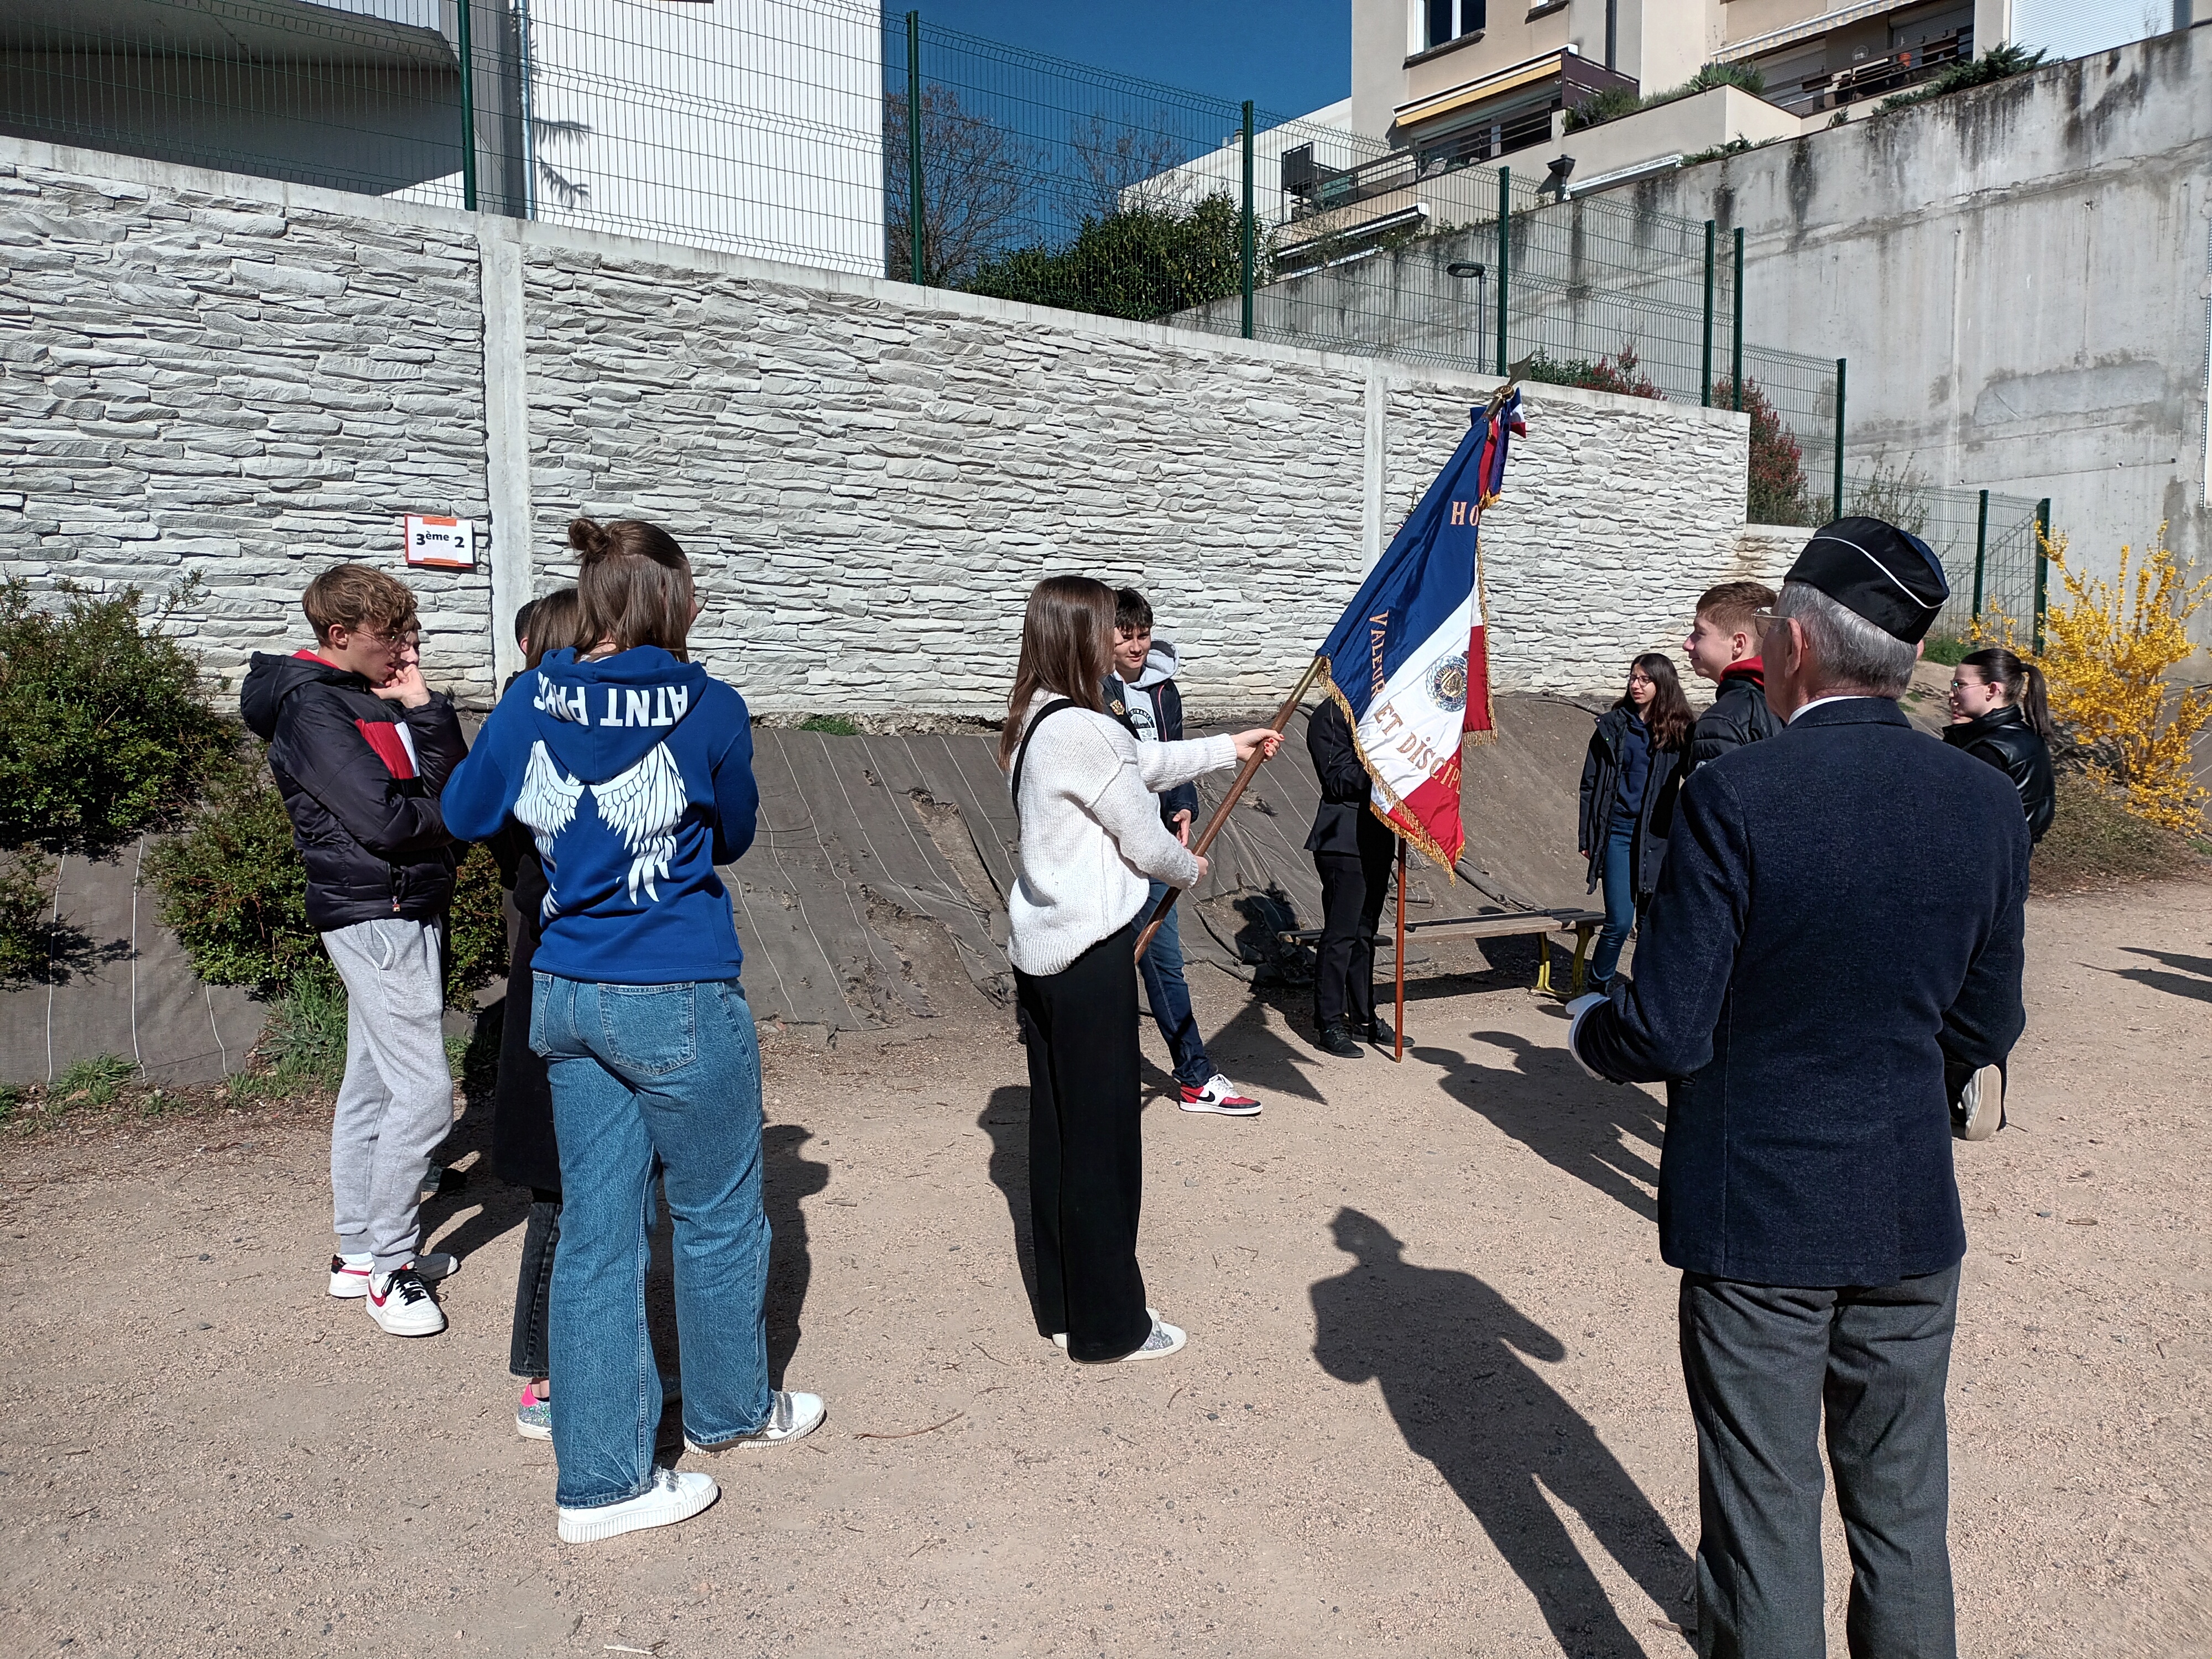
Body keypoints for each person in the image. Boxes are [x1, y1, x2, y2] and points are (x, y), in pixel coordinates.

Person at [1567, 517, 2029, 1659]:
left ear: (1793, 648)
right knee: (1903, 1522)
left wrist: (1590, 1028)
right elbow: (1987, 1022)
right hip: (1909, 1211)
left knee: (1765, 1526)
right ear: (1908, 662)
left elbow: (1664, 1029)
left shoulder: (1741, 796)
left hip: (1758, 1220)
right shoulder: (1980, 803)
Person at [444, 517, 822, 1546]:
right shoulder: (709, 705)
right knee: (717, 1214)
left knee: (597, 1240)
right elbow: (733, 834)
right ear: (671, 602)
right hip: (677, 983)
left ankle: (602, 1484)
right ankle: (730, 1410)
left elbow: (469, 811)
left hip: (565, 986)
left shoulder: (533, 696)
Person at [1002, 575, 1280, 1365]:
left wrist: (1232, 747)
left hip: (1044, 957)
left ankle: (1065, 1306)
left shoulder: (1039, 717)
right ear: (1075, 637)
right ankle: (1112, 1326)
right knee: (1106, 1150)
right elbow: (1144, 838)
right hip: (1087, 961)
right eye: (1105, 628)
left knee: (1061, 1140)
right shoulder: (1080, 729)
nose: (1124, 642)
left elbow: (1142, 761)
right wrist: (1189, 867)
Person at [241, 564, 465, 1339]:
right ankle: (391, 1267)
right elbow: (387, 822)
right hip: (377, 910)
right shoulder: (311, 709)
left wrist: (425, 709)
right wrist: (450, 814)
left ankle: (357, 1257)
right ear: (339, 637)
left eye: (410, 629)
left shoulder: (368, 697)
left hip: (406, 904)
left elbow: (449, 787)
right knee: (428, 1093)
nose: (406, 645)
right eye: (391, 633)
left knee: (374, 1083)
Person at [488, 587, 586, 1441]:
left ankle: (582, 1358)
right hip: (553, 971)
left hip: (560, 966)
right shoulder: (531, 728)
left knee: (595, 1186)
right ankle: (545, 1374)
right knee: (562, 1187)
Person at [1105, 587, 1262, 1117]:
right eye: (1125, 636)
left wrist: (1183, 807)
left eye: (1143, 635)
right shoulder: (1091, 693)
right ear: (1105, 637)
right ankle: (1092, 1072)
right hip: (1107, 847)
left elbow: (1173, 756)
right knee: (1101, 964)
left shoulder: (1163, 690)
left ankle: (1194, 1076)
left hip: (1152, 847)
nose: (1136, 647)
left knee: (1163, 959)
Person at [1576, 653, 1693, 992]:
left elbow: (1696, 779)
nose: (1636, 685)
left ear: (1662, 684)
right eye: (1633, 678)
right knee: (1619, 921)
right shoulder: (1612, 726)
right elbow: (1589, 784)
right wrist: (1588, 835)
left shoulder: (1681, 731)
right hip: (1617, 833)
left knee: (1651, 921)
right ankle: (1596, 991)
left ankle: (1646, 992)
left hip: (1657, 837)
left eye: (1644, 679)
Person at [1303, 697, 1397, 1058]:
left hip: (1377, 836)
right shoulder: (1330, 715)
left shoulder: (1381, 713)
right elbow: (1337, 779)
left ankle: (1363, 1017)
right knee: (1340, 935)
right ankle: (1329, 1021)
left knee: (1365, 934)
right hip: (1342, 839)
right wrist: (1383, 769)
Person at [1944, 646, 2056, 843]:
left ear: (1992, 689)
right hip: (2015, 857)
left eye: (1959, 685)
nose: (1952, 694)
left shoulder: (1989, 751)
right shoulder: (2027, 736)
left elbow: (1959, 818)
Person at [1682, 579, 1780, 776]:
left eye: (1699, 633)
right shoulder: (1791, 703)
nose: (1687, 644)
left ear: (1738, 643)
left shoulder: (1722, 720)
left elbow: (1716, 805)